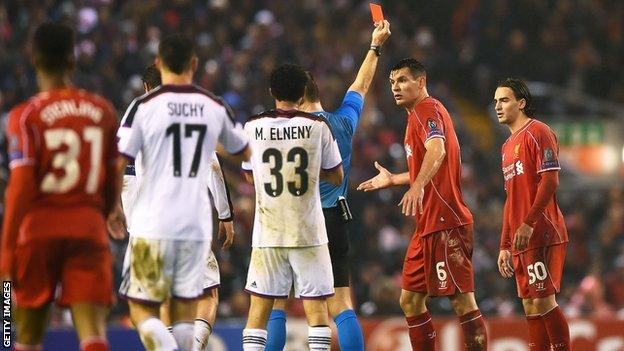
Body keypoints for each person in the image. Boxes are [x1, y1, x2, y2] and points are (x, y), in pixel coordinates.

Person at [114, 34, 250, 351]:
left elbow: (118, 161)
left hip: (149, 223)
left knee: (142, 307)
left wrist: (112, 208)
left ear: (159, 65)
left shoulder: (141, 107)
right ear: (194, 64)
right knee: (199, 299)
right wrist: (226, 215)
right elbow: (235, 155)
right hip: (192, 222)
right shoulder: (209, 105)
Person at [266, 20, 391, 351]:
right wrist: (375, 46)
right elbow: (361, 85)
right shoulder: (344, 122)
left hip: (295, 219)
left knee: (277, 299)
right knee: (340, 304)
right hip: (335, 218)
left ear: (298, 94)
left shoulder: (290, 130)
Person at [0, 23, 121, 351]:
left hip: (37, 231)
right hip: (87, 228)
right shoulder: (102, 111)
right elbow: (112, 177)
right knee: (94, 334)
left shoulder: (25, 116)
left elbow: (20, 188)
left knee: (23, 335)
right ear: (72, 61)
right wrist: (108, 211)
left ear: (34, 60)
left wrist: (7, 253)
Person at [357, 58, 488, 350]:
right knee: (410, 299)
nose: (396, 87)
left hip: (446, 220)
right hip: (427, 224)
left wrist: (417, 186)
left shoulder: (427, 109)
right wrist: (396, 179)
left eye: (403, 80)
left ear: (421, 82)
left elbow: (437, 149)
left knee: (461, 300)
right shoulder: (415, 115)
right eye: (392, 83)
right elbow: (429, 164)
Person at [241, 63, 344, 351]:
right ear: (303, 94)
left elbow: (249, 175)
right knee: (317, 315)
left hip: (268, 233)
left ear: (272, 92)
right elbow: (337, 177)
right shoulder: (318, 127)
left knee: (258, 313)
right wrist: (311, 169)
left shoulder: (252, 126)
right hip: (308, 232)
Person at [494, 78, 570, 351]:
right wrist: (504, 244)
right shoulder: (505, 147)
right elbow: (510, 199)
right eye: (495, 101)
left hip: (543, 231)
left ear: (521, 103)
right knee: (529, 305)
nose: (497, 106)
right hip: (521, 239)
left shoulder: (539, 132)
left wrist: (528, 223)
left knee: (543, 300)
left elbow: (550, 181)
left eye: (504, 100)